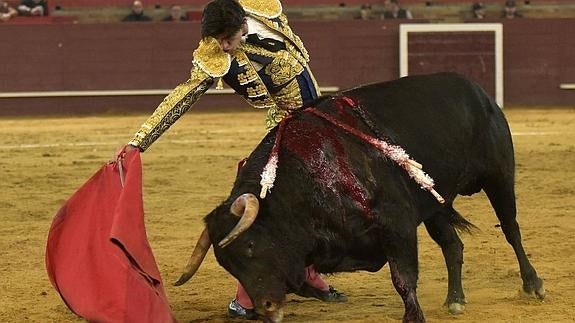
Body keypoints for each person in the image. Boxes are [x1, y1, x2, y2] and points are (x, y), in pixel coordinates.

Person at [118, 0, 347, 320]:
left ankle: (306, 273)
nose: (226, 46)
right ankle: (246, 297)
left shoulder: (259, 8)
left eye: (231, 37)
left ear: (243, 24)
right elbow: (182, 96)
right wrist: (138, 142)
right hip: (285, 127)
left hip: (314, 118)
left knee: (315, 198)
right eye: (220, 41)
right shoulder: (214, 54)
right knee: (270, 206)